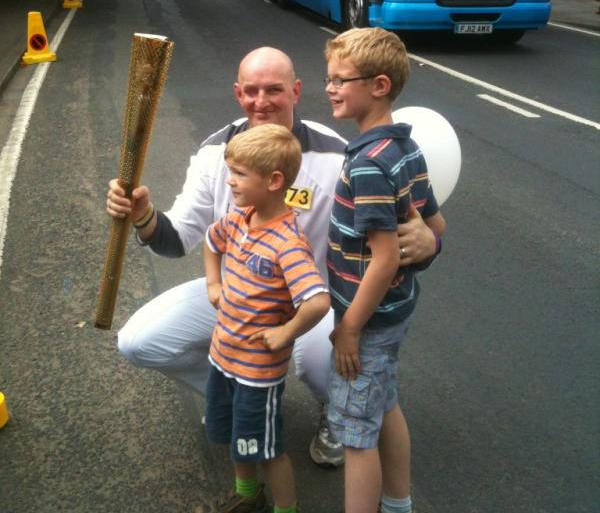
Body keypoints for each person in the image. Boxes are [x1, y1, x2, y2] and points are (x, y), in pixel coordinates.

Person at [106, 47, 440, 470]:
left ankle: (331, 413)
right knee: (139, 341)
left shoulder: (338, 155)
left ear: (296, 91)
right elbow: (179, 240)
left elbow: (401, 231)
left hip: (313, 303)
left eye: (274, 90)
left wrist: (430, 244)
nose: (260, 101)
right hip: (242, 294)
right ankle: (234, 394)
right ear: (237, 93)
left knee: (327, 364)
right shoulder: (216, 155)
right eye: (250, 91)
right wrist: (143, 217)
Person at [323, 28, 446, 513]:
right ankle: (398, 504)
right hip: (394, 313)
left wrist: (349, 328)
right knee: (384, 406)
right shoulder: (405, 148)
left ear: (378, 85)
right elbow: (434, 223)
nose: (330, 88)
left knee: (356, 436)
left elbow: (386, 256)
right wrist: (430, 241)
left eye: (340, 80)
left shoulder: (369, 163)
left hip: (367, 322)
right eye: (328, 78)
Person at [197, 124, 331, 513]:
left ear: (274, 181)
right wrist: (213, 283)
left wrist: (285, 333)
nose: (231, 181)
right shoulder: (240, 218)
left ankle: (285, 509)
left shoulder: (288, 244)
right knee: (238, 436)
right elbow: (210, 240)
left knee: (267, 448)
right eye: (230, 171)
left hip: (257, 371)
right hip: (223, 358)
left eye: (239, 173)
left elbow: (318, 301)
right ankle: (247, 493)